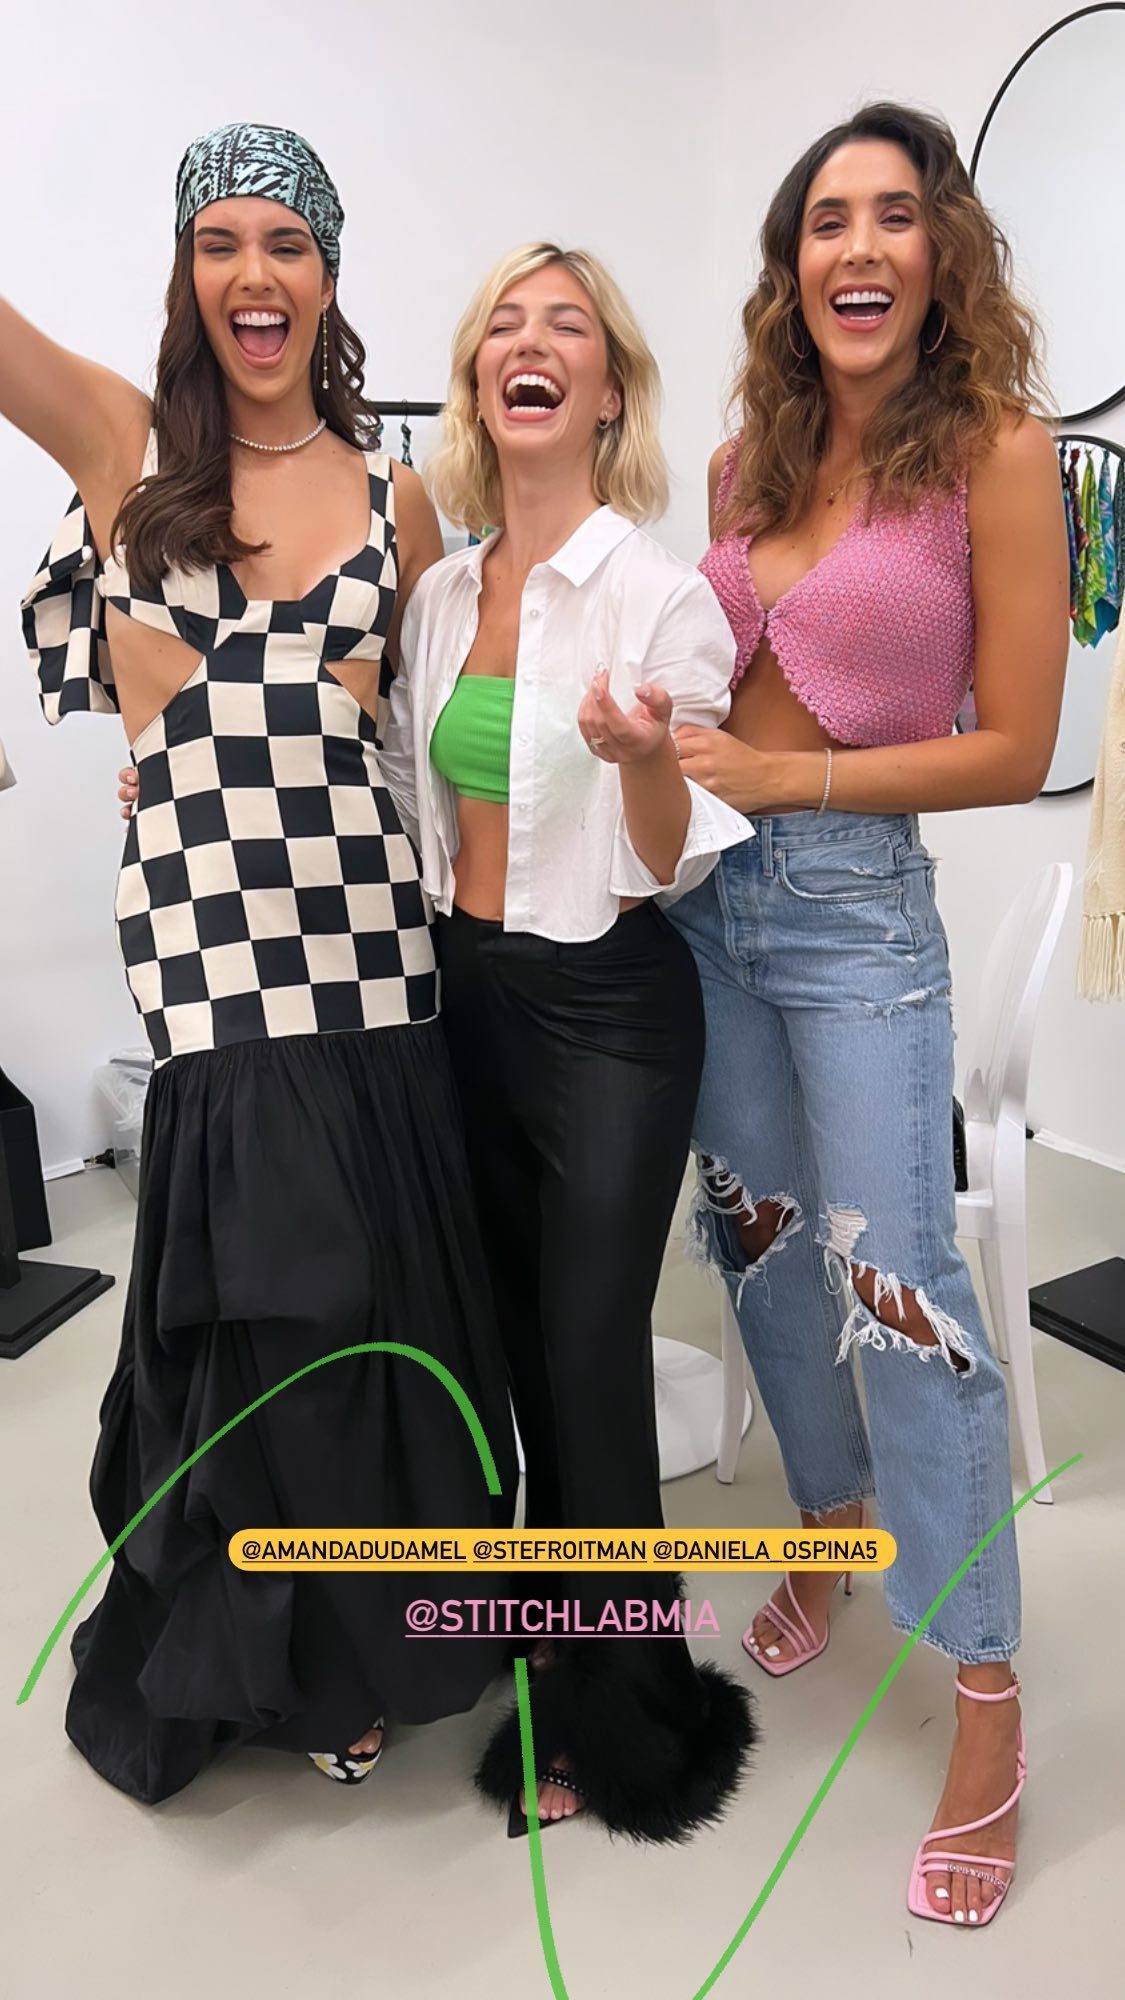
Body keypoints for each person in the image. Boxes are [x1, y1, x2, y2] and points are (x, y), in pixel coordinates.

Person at [10, 121, 517, 1804]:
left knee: (373, 1314)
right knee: (278, 1317)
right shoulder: (127, 445)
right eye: (219, 240)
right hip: (215, 965)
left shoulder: (396, 494)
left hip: (375, 952)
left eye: (285, 242)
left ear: (327, 272)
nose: (253, 272)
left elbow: (438, 747)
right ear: (187, 270)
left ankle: (370, 1649)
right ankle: (281, 1668)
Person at [668, 103, 1068, 1925]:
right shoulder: (742, 460)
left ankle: (983, 1681)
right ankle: (830, 1528)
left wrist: (792, 783)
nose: (856, 247)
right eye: (825, 219)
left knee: (896, 1287)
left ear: (938, 252)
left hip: (850, 912)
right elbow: (704, 692)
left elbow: (1013, 746)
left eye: (892, 217)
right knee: (756, 1247)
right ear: (793, 262)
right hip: (708, 909)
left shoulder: (996, 453)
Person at [379, 242, 757, 1842]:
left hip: (608, 1011)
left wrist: (644, 756)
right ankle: (554, 1642)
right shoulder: (441, 594)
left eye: (568, 327)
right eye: (503, 327)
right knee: (520, 1354)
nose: (529, 345)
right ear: (481, 381)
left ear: (607, 391)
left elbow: (669, 858)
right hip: (466, 997)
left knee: (591, 1352)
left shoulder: (660, 597)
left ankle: (628, 1722)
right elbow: (404, 801)